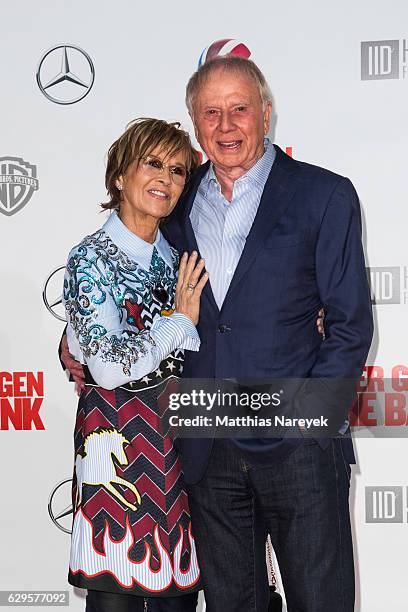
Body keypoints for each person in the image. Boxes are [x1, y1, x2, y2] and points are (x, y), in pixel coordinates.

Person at [62, 56, 373, 611]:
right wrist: (73, 343)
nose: (226, 126)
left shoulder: (323, 195)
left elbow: (349, 325)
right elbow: (125, 294)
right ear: (195, 121)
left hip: (296, 445)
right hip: (204, 448)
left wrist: (313, 422)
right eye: (211, 112)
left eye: (239, 110)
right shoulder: (173, 203)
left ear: (266, 113)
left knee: (320, 600)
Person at [62, 118, 209, 612]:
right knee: (114, 597)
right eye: (152, 163)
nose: (166, 179)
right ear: (120, 175)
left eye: (178, 170)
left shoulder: (179, 259)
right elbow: (106, 367)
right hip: (116, 450)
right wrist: (177, 322)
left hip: (176, 449)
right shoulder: (91, 257)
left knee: (178, 600)